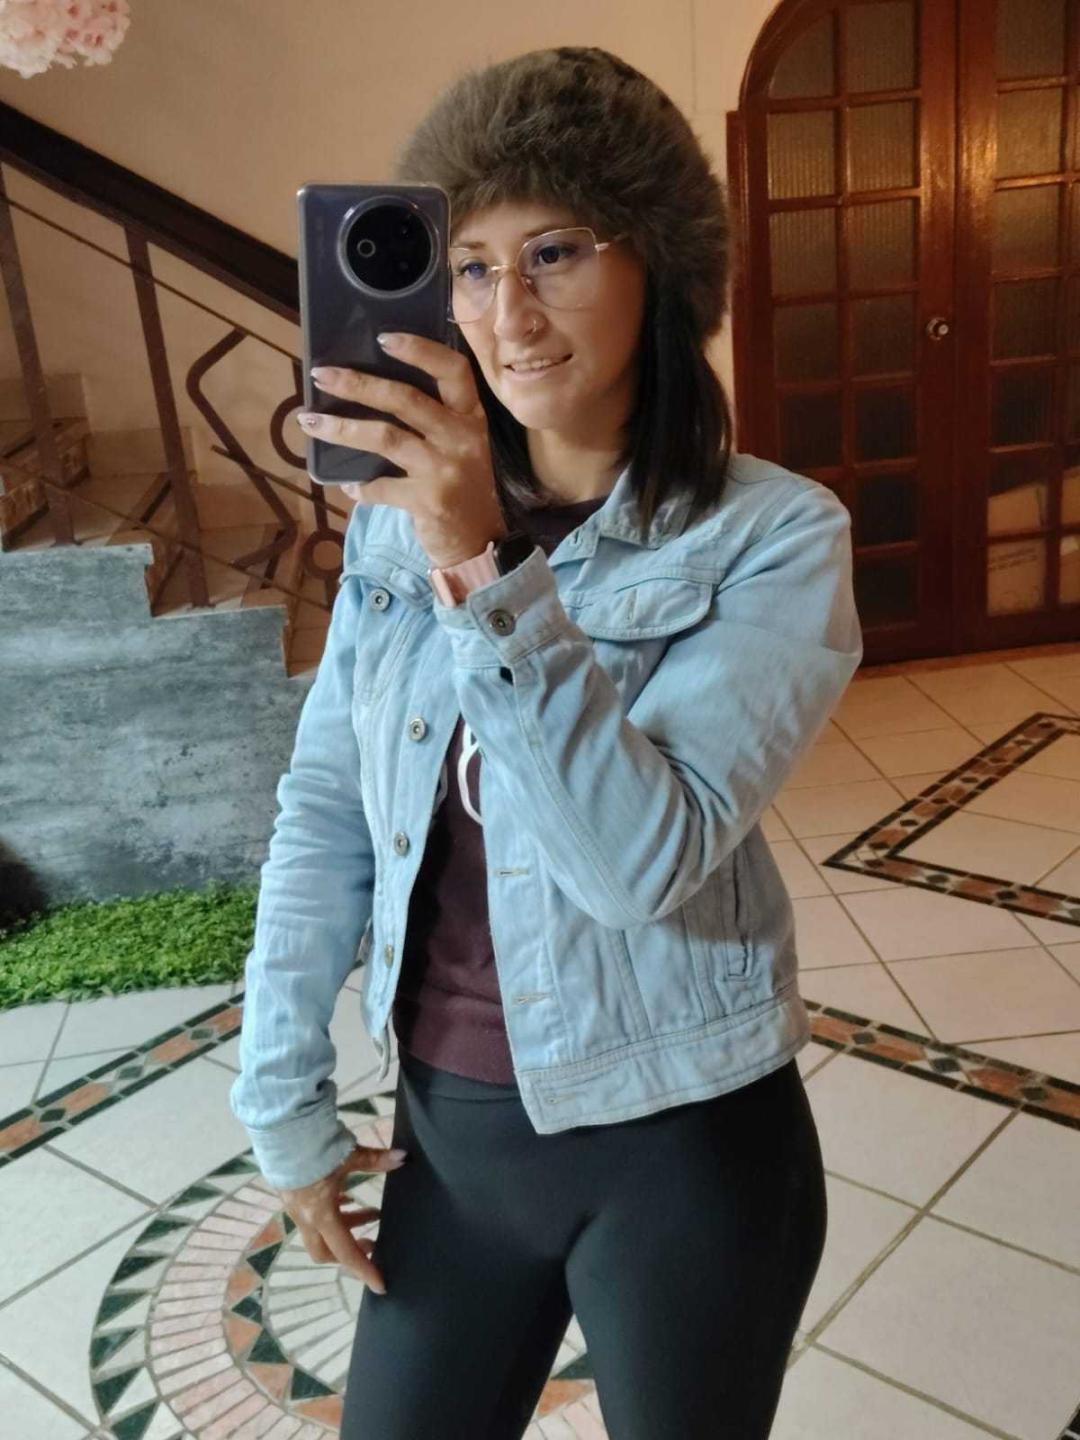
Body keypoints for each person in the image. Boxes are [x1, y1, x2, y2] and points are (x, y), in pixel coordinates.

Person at [230, 45, 863, 1439]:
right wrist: (281, 1094)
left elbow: (638, 866)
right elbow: (327, 805)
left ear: (659, 264)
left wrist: (481, 562)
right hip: (450, 1141)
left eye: (554, 253)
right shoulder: (391, 526)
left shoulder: (773, 537)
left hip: (683, 1144)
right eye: (469, 266)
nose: (505, 313)